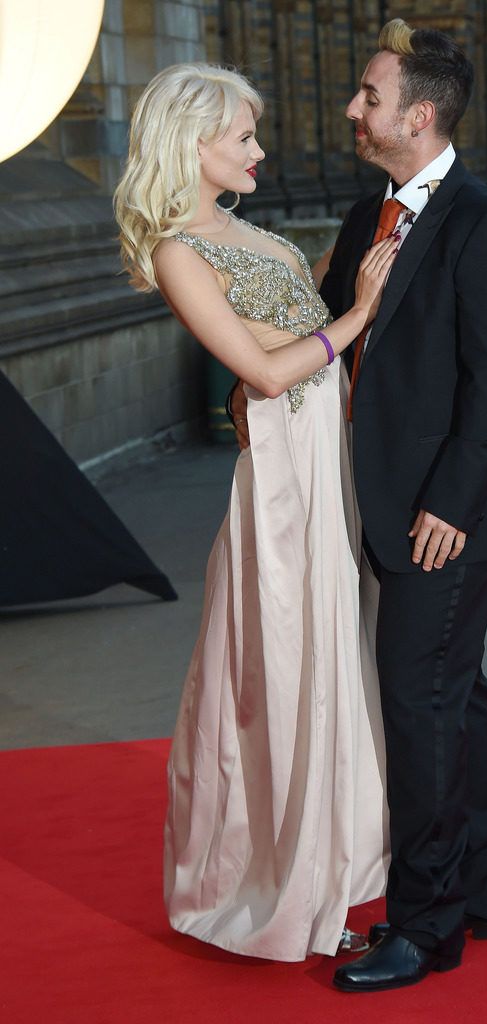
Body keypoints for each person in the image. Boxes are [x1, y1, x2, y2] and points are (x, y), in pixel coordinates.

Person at [230, 17, 487, 993]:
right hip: (376, 503)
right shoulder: (371, 217)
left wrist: (448, 501)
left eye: (369, 96)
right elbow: (330, 329)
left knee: (420, 707)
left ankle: (426, 924)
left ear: (419, 113)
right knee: (459, 695)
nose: (354, 109)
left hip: (445, 520)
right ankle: (485, 892)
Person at [113, 63, 397, 962]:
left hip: (327, 469)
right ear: (189, 146)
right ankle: (271, 889)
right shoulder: (176, 251)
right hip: (279, 489)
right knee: (281, 676)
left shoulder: (250, 236)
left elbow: (280, 337)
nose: (257, 150)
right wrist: (357, 311)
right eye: (242, 136)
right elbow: (267, 372)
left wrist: (335, 296)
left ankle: (335, 878)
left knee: (330, 669)